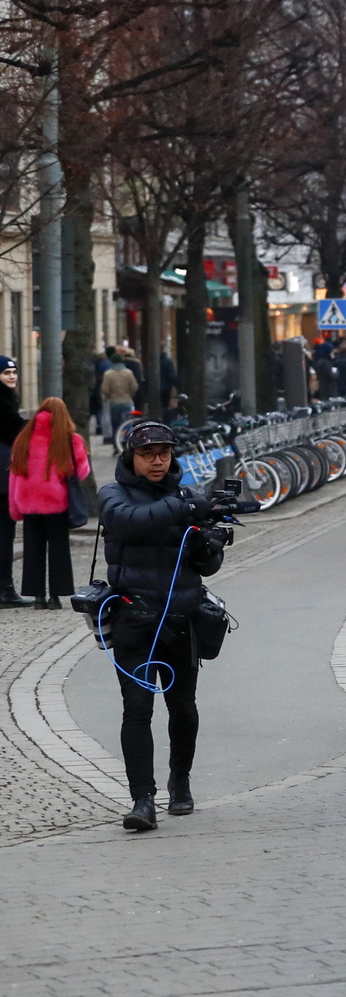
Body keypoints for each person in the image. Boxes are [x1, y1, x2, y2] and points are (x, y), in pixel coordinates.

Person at [98, 419, 233, 831]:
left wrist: (207, 544)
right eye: (147, 454)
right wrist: (188, 508)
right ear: (131, 456)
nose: (158, 461)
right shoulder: (113, 495)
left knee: (182, 705)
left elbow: (208, 566)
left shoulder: (188, 496)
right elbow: (132, 521)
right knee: (137, 709)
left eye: (164, 453)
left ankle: (181, 781)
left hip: (180, 618)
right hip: (134, 620)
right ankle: (142, 799)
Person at [10, 396, 88, 610]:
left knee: (32, 550)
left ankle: (37, 597)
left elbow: (14, 474)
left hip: (29, 503)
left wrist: (14, 506)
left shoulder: (24, 438)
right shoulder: (69, 439)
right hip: (57, 503)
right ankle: (55, 596)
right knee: (59, 550)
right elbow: (81, 471)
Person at [0, 356, 23, 607]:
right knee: (5, 533)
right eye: (6, 372)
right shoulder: (3, 403)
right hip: (2, 476)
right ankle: (5, 590)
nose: (12, 376)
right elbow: (15, 430)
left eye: (14, 372)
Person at [100, 352, 139, 447]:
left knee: (115, 425)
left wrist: (109, 396)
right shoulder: (128, 372)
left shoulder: (108, 374)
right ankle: (127, 442)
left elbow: (105, 389)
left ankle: (115, 444)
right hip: (127, 402)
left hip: (114, 403)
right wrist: (130, 394)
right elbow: (134, 386)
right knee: (127, 424)